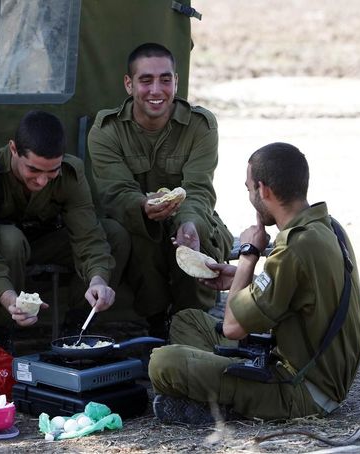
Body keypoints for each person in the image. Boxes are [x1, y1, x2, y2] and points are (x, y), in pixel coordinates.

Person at [148, 142, 360, 424]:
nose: (250, 195)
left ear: (264, 190)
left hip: (301, 390)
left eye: (249, 188)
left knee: (163, 364)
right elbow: (294, 291)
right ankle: (222, 386)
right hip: (301, 363)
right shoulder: (327, 227)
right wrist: (237, 277)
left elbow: (232, 327)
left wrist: (248, 255)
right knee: (187, 322)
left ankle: (222, 400)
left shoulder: (294, 249)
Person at [88, 42, 233, 339]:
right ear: (129, 84)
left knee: (199, 233)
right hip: (136, 221)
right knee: (136, 233)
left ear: (176, 82)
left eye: (165, 80)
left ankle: (192, 322)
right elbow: (115, 193)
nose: (157, 90)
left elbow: (198, 189)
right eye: (146, 80)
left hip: (191, 213)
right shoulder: (107, 130)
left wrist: (188, 223)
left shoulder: (199, 126)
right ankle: (155, 324)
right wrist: (143, 206)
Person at [0, 110, 129, 339]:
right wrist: (9, 300)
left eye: (52, 171)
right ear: (14, 149)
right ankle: (2, 340)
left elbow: (88, 235)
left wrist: (98, 280)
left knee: (114, 234)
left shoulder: (70, 173)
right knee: (10, 240)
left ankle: (78, 331)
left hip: (42, 245)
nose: (42, 180)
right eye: (33, 170)